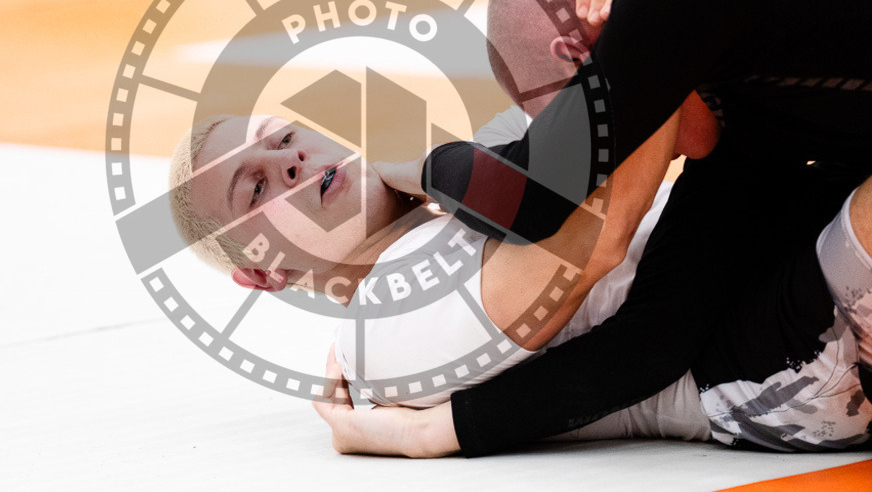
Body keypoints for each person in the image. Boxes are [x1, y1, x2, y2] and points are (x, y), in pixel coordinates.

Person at [319, 0, 872, 456]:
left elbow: (531, 196)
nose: (607, 164)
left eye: (577, 130)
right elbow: (657, 335)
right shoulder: (741, 116)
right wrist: (437, 428)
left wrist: (416, 164)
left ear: (581, 60)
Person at [167, 109, 872, 454]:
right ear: (264, 270)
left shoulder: (437, 206)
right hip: (762, 357)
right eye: (257, 185)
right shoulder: (382, 314)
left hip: (745, 252)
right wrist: (680, 47)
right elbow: (590, 246)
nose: (290, 161)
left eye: (285, 136)